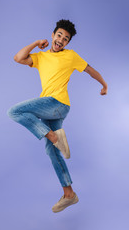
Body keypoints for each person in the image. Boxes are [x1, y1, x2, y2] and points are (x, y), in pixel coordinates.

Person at [7, 19, 108, 213]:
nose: (61, 40)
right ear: (53, 35)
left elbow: (90, 70)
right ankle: (69, 193)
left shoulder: (71, 56)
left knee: (14, 111)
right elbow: (18, 58)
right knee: (52, 151)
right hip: (50, 108)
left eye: (66, 39)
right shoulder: (41, 57)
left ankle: (53, 135)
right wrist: (37, 43)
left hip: (58, 104)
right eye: (59, 35)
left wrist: (104, 85)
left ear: (68, 43)